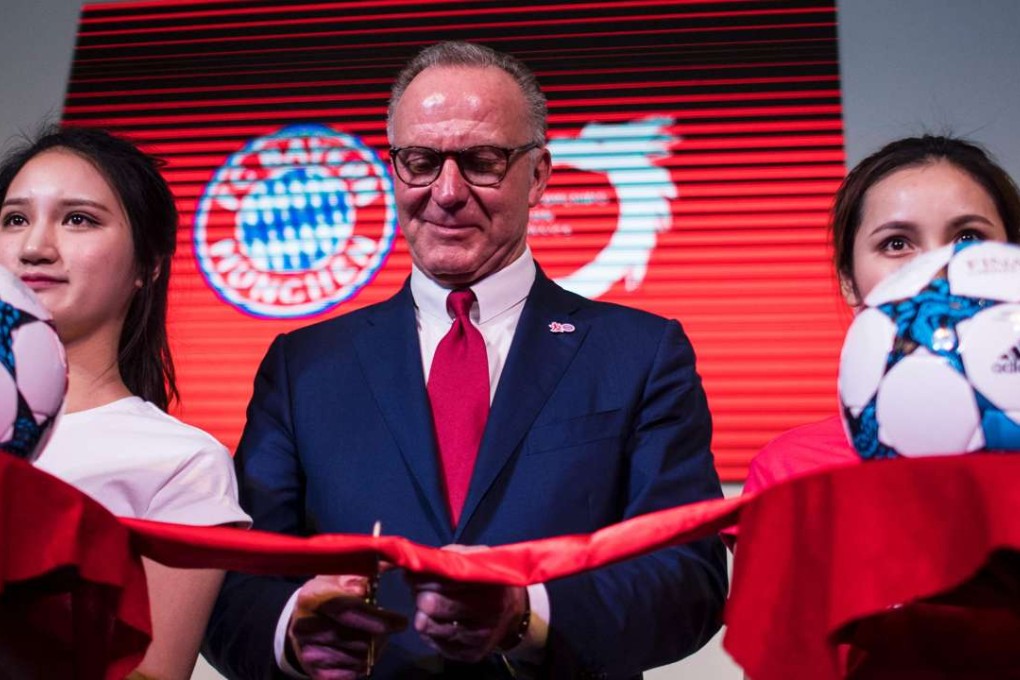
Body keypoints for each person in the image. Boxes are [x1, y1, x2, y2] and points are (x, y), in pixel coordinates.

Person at [203, 41, 727, 679]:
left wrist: (525, 613)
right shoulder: (303, 365)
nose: (446, 193)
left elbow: (688, 578)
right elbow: (233, 579)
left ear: (538, 176)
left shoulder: (641, 354)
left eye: (482, 161)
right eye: (420, 161)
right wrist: (291, 631)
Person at [0, 126, 251, 680]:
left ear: (148, 264)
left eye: (78, 219)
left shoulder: (180, 462)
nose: (34, 246)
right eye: (14, 219)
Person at [741, 134, 1020, 497]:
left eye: (967, 238)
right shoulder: (790, 472)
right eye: (896, 243)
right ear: (849, 281)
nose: (936, 267)